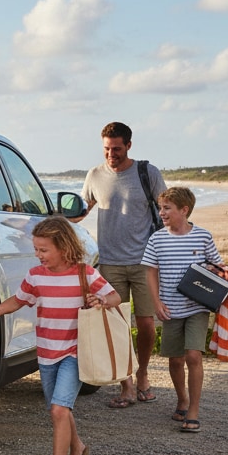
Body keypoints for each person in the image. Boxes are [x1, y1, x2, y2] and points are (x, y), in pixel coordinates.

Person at [0, 216, 120, 455]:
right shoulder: (36, 275)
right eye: (37, 249)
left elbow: (114, 297)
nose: (38, 255)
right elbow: (18, 300)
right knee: (59, 408)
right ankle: (77, 447)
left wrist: (100, 300)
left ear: (63, 246)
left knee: (58, 411)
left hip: (75, 352)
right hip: (47, 352)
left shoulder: (84, 273)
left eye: (44, 250)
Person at [73, 121, 166, 409]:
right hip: (110, 262)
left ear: (128, 145)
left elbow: (166, 210)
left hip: (144, 261)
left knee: (146, 323)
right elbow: (80, 212)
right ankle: (126, 383)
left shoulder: (147, 173)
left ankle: (143, 373)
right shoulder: (94, 175)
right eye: (106, 149)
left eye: (116, 148)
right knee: (116, 325)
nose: (110, 154)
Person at [141, 187, 223, 434]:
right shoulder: (157, 239)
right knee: (175, 360)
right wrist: (156, 303)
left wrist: (213, 274)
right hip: (170, 309)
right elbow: (151, 272)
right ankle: (182, 399)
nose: (162, 212)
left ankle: (194, 412)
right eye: (161, 208)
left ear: (184, 210)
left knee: (193, 357)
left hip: (197, 308)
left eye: (167, 208)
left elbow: (219, 267)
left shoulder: (203, 237)